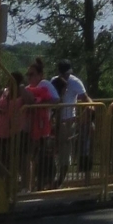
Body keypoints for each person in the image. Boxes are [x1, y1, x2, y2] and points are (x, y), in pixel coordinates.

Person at [23, 60, 59, 192]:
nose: (29, 77)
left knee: (40, 158)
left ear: (40, 75)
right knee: (31, 157)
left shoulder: (44, 84)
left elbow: (56, 99)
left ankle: (40, 186)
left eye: (32, 74)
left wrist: (40, 103)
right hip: (30, 127)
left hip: (42, 128)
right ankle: (31, 185)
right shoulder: (27, 88)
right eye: (28, 74)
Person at [52, 60, 89, 183]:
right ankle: (49, 178)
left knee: (65, 152)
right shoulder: (54, 81)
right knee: (52, 150)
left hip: (68, 120)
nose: (66, 76)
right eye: (64, 73)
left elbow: (85, 98)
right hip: (54, 120)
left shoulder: (75, 82)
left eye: (67, 73)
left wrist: (88, 110)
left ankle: (60, 181)